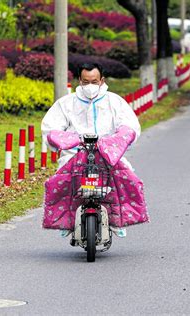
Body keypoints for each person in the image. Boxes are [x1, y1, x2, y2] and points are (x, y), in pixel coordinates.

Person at [41, 63, 141, 238]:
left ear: (102, 80)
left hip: (108, 154)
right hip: (75, 153)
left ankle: (118, 219)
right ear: (79, 80)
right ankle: (67, 220)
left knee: (127, 177)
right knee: (61, 180)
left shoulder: (114, 101)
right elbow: (51, 127)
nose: (90, 86)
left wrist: (117, 140)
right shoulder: (66, 103)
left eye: (94, 81)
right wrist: (64, 140)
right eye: (85, 82)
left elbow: (129, 126)